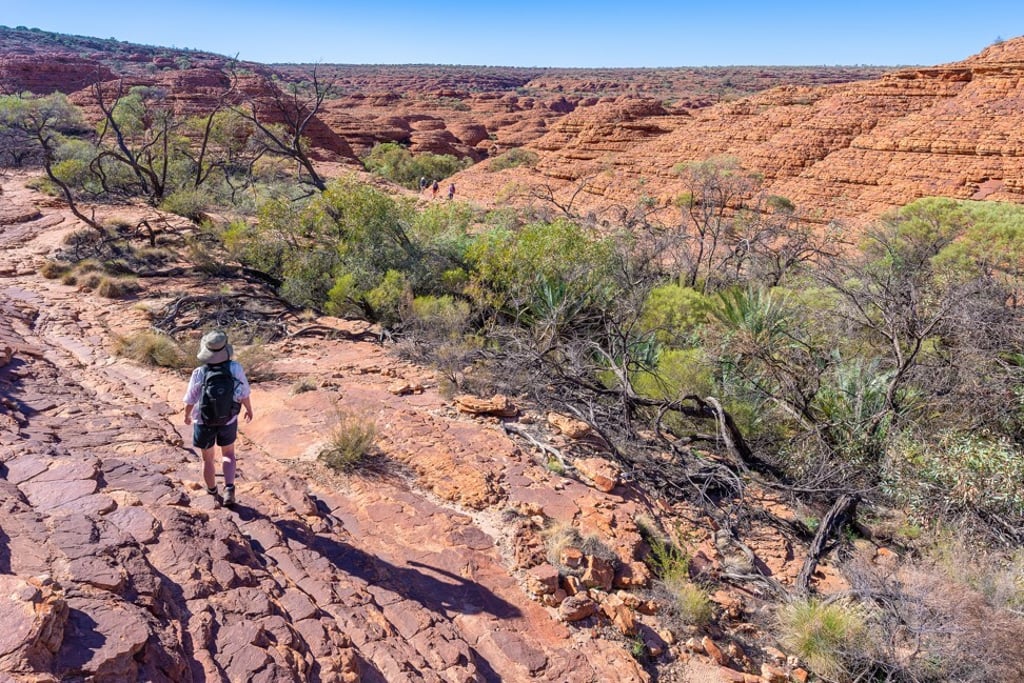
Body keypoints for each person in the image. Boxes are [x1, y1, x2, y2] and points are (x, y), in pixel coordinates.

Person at [183, 330, 253, 506]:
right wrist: (248, 409)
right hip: (228, 418)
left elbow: (191, 398)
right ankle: (229, 488)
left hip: (203, 420)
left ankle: (212, 490)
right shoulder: (235, 368)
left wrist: (187, 415)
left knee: (207, 458)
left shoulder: (199, 372)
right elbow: (244, 393)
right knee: (228, 453)